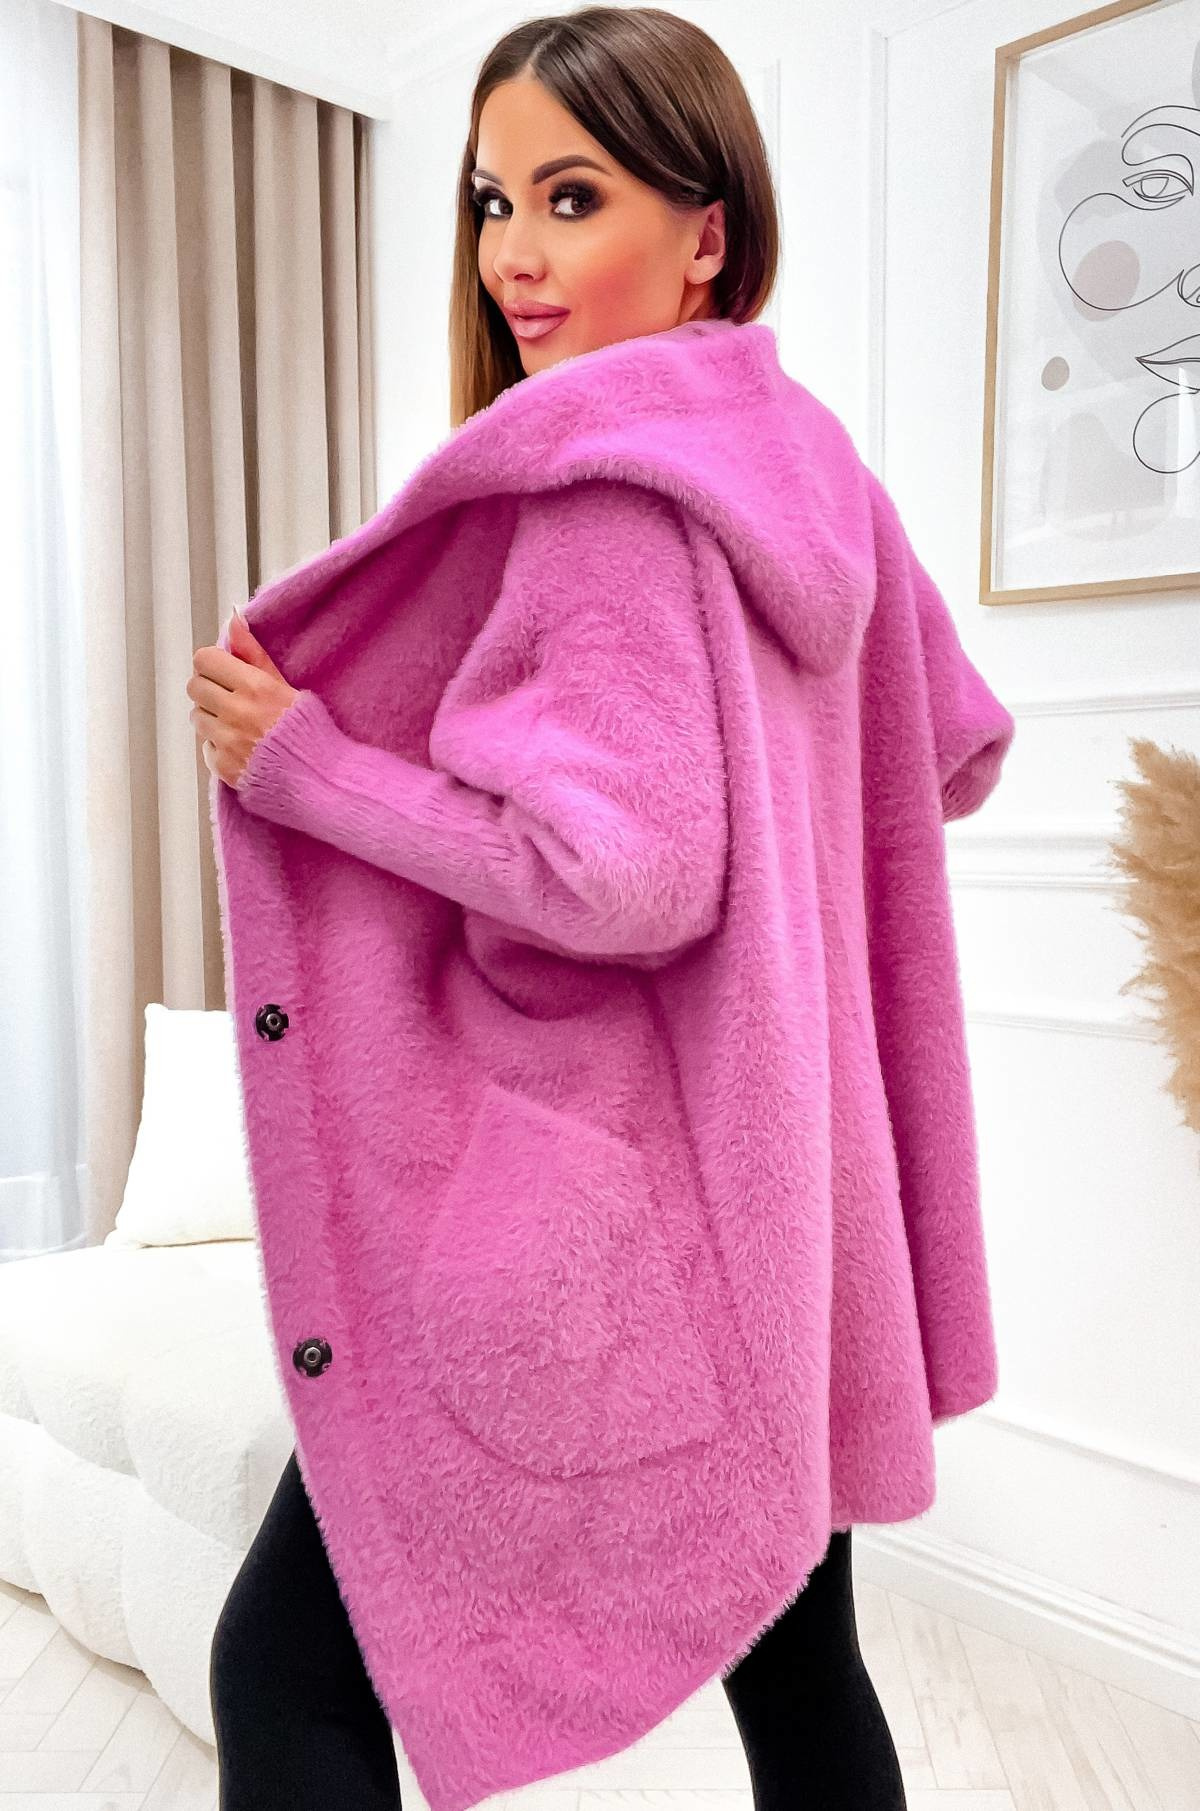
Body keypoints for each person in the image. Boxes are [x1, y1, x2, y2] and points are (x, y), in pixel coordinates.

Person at [194, 10, 1011, 1809]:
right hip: (790, 1198)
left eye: (574, 198)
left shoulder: (600, 497)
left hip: (617, 1203)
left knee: (285, 1668)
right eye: (495, 201)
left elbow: (623, 875)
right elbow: (949, 748)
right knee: (805, 1670)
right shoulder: (823, 479)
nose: (516, 254)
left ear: (707, 232)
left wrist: (312, 769)